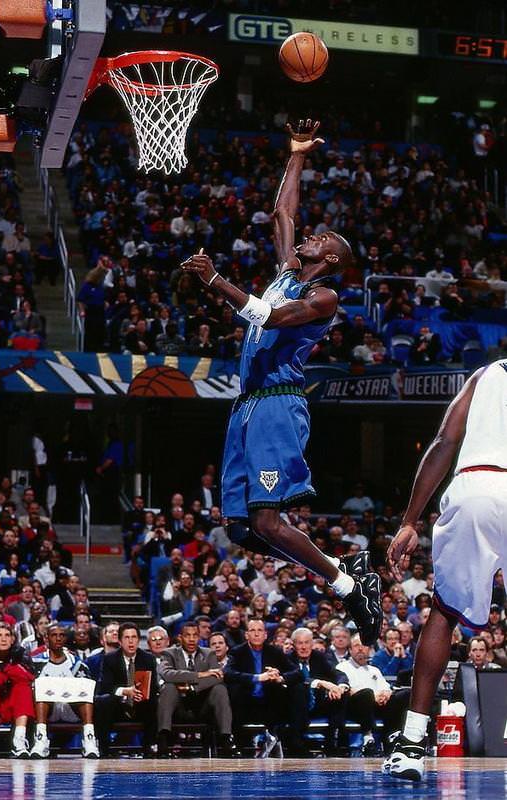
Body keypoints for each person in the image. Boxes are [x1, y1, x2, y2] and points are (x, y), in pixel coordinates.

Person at [181, 119, 381, 647]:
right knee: (244, 528)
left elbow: (268, 319)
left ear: (331, 258)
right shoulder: (288, 272)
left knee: (270, 520)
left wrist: (216, 282)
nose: (308, 236)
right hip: (245, 407)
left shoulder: (324, 297)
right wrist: (297, 156)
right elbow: (282, 214)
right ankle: (344, 571)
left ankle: (346, 585)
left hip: (277, 404)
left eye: (320, 239)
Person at [383, 360, 507, 781]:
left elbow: (442, 441)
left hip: (476, 487)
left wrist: (409, 520)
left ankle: (413, 743)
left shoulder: (485, 374)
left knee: (444, 611)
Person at [157, 621, 238, 757]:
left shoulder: (209, 654)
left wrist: (190, 687)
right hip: (178, 707)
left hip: (203, 705)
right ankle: (163, 740)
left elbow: (217, 676)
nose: (191, 639)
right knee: (169, 687)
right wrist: (200, 674)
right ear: (180, 637)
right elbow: (167, 674)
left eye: (195, 635)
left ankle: (226, 739)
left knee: (220, 688)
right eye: (187, 635)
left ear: (199, 637)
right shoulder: (169, 653)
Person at [225, 618, 302, 754]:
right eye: (252, 630)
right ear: (246, 635)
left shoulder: (275, 652)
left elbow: (297, 672)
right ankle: (241, 747)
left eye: (259, 630)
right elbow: (228, 673)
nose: (256, 634)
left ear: (265, 635)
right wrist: (257, 678)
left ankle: (290, 744)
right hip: (245, 703)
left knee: (293, 690)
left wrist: (280, 678)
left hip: (270, 702)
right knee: (235, 690)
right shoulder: (237, 652)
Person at [31, 623, 99, 758]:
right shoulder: (37, 661)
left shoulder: (76, 663)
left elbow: (89, 688)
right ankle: (41, 740)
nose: (58, 639)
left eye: (61, 635)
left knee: (85, 690)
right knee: (40, 690)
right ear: (46, 638)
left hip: (71, 709)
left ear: (66, 639)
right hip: (46, 710)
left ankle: (89, 739)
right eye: (54, 635)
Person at [94, 622, 158, 758]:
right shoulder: (109, 659)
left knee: (154, 702)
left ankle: (150, 748)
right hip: (119, 706)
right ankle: (103, 749)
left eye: (134, 637)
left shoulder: (148, 659)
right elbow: (105, 687)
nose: (131, 641)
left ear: (139, 640)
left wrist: (143, 694)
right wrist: (125, 691)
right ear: (120, 641)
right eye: (127, 638)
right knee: (103, 701)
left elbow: (154, 687)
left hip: (141, 705)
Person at [290, 627, 349, 754]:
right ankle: (297, 744)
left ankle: (334, 742)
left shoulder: (318, 657)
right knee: (299, 689)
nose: (304, 647)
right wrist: (321, 683)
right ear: (293, 645)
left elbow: (338, 674)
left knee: (341, 694)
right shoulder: (288, 659)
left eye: (307, 643)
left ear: (312, 644)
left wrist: (341, 686)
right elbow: (297, 678)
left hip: (317, 704)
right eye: (300, 643)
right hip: (296, 706)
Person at [0, 622, 35, 757]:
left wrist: (6, 669)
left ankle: (19, 740)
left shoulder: (20, 655)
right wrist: (7, 673)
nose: (3, 639)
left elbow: (28, 678)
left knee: (23, 687)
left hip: (15, 707)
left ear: (13, 639)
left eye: (7, 635)